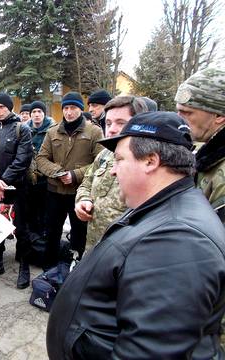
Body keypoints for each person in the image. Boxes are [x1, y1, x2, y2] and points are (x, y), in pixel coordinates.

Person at [47, 111, 225, 359]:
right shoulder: (161, 207)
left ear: (150, 161)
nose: (112, 171)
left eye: (120, 159)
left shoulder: (178, 241)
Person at [36, 91, 103, 267]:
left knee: (80, 234)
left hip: (79, 194)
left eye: (73, 107)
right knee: (51, 232)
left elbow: (100, 162)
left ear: (80, 109)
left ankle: (77, 269)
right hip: (54, 192)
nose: (68, 112)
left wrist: (75, 175)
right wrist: (58, 172)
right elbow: (41, 159)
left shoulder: (94, 132)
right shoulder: (52, 132)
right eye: (66, 108)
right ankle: (49, 268)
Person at [75, 96, 148, 248]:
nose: (112, 129)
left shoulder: (149, 163)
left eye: (121, 123)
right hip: (94, 245)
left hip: (124, 251)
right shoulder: (104, 155)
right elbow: (86, 183)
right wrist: (83, 200)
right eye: (108, 123)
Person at [0, 92, 33, 289]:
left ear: (9, 108)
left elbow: (23, 160)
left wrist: (4, 180)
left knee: (21, 229)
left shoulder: (22, 129)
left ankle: (24, 267)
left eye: (1, 107)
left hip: (18, 188)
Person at [175, 67, 225, 223]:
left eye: (187, 113)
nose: (179, 119)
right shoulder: (206, 152)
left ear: (219, 116)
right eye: (178, 111)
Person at [25, 100, 55, 236]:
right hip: (29, 178)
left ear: (44, 114)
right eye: (34, 112)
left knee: (45, 213)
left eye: (39, 112)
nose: (36, 115)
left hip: (46, 179)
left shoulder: (53, 130)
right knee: (30, 213)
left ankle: (43, 241)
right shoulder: (24, 129)